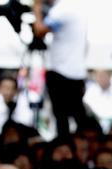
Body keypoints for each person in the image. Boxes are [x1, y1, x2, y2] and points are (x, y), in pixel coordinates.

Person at [33, 0, 89, 136]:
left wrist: (36, 6)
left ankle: (66, 147)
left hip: (61, 72)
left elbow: (39, 31)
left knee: (62, 119)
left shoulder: (61, 10)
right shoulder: (76, 8)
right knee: (77, 117)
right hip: (76, 72)